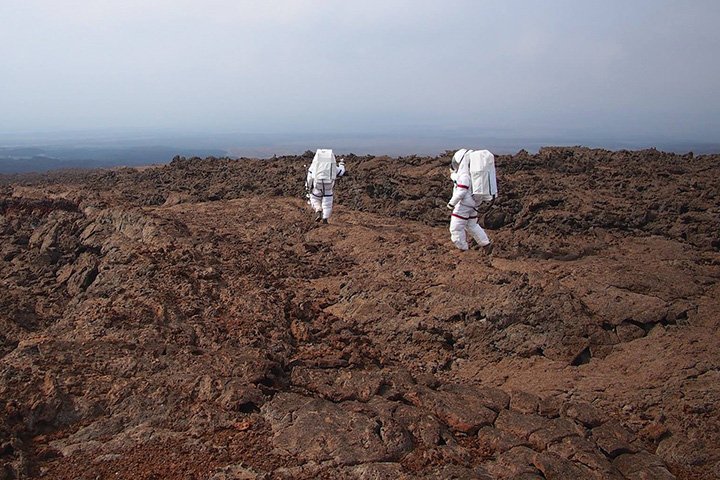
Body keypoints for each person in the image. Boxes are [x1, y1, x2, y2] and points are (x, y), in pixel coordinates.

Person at [446, 148, 493, 252]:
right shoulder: (472, 175)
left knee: (456, 228)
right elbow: (457, 179)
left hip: (463, 206)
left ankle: (463, 249)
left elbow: (461, 191)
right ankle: (486, 244)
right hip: (473, 204)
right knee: (472, 225)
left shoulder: (464, 176)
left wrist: (451, 204)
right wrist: (453, 175)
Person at [306, 149, 345, 223]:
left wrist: (308, 186)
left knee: (314, 198)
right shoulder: (332, 166)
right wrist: (341, 164)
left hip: (318, 185)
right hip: (328, 186)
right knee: (327, 203)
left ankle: (318, 210)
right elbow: (341, 172)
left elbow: (309, 177)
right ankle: (325, 218)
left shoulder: (314, 166)